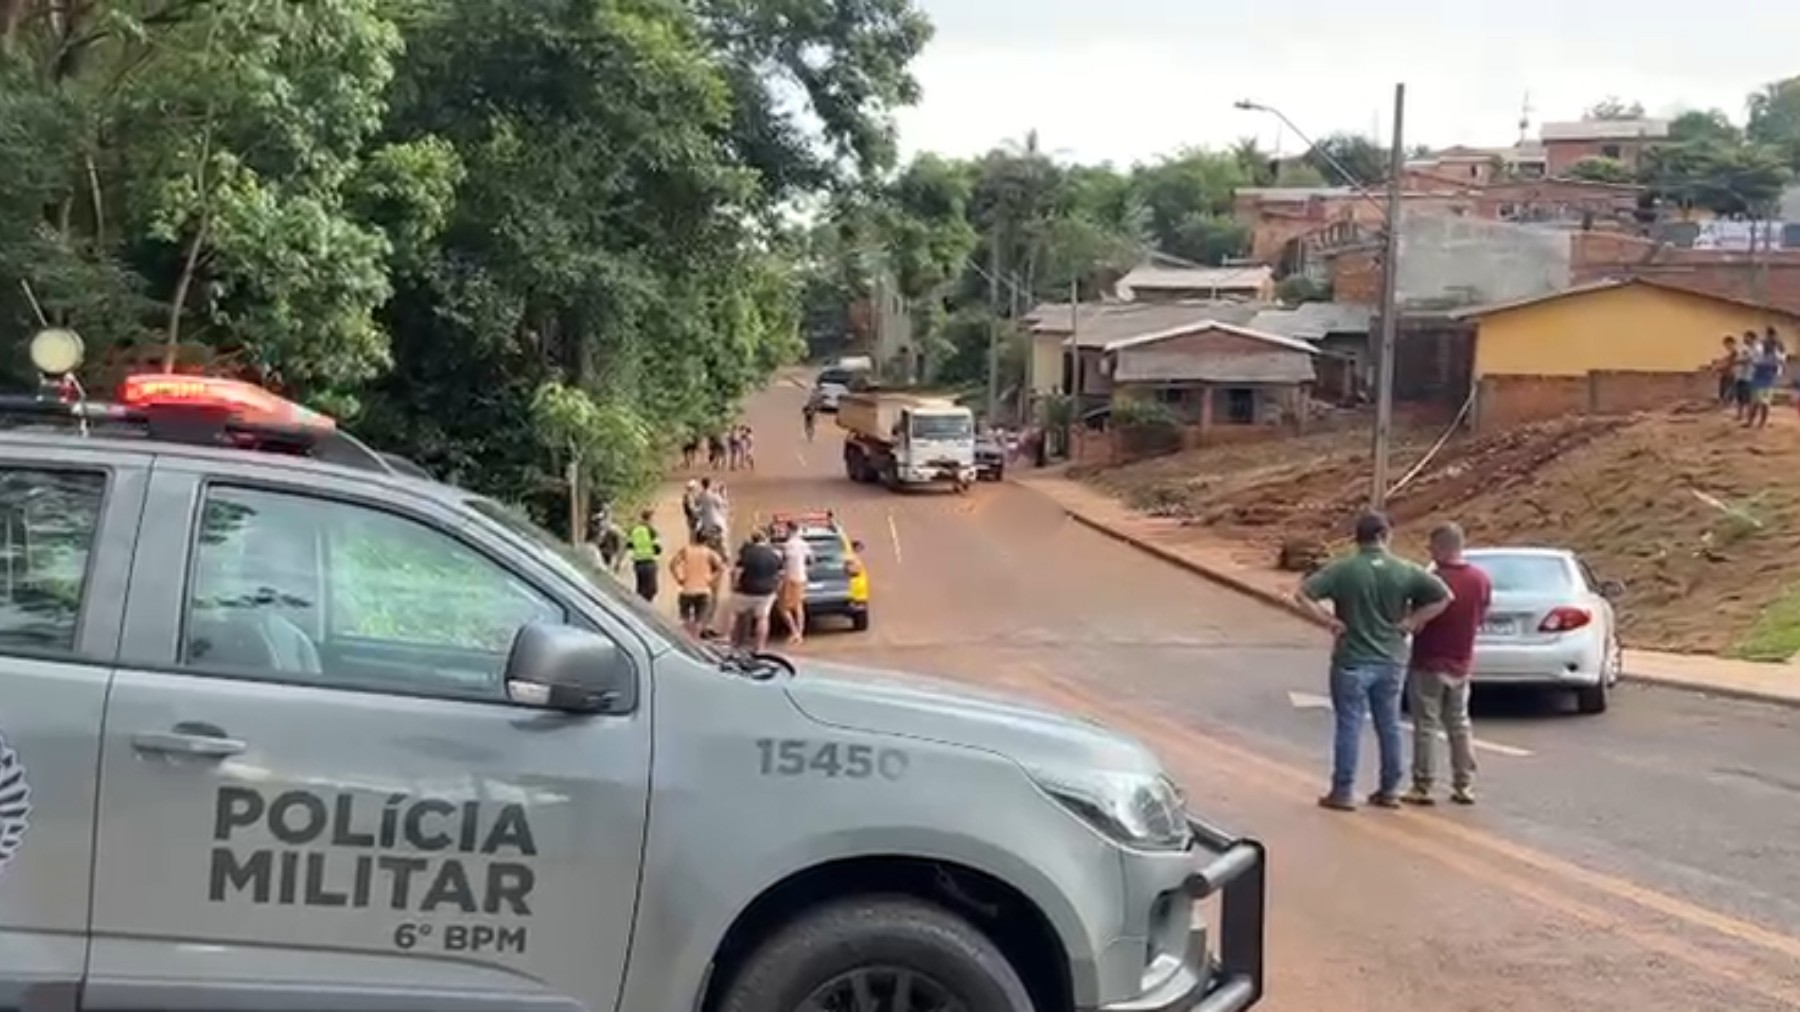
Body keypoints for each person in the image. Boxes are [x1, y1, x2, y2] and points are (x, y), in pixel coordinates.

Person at [1294, 511, 1451, 812]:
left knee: (1349, 725)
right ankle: (1389, 789)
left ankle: (1343, 790)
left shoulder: (1343, 570)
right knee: (1389, 724)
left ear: (1358, 537)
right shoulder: (1404, 569)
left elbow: (1303, 594)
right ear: (1385, 535)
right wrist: (1412, 621)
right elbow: (1444, 596)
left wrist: (1328, 621)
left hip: (1352, 657)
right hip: (1391, 658)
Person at [1403, 522, 1491, 807]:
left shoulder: (1431, 581)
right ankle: (1464, 784)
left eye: (1431, 547)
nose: (1429, 552)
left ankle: (1422, 784)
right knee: (1459, 724)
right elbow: (1482, 616)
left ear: (1441, 547)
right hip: (1461, 663)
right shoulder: (1481, 580)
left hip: (1429, 661)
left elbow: (1415, 623)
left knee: (1426, 725)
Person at [730, 529, 785, 652]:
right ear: (765, 540)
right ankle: (759, 648)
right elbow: (781, 575)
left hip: (746, 590)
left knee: (739, 617)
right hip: (766, 592)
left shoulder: (746, 554)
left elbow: (737, 572)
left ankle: (736, 644)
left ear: (753, 539)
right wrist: (777, 589)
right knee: (762, 618)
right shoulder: (773, 555)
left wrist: (734, 585)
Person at [669, 530, 726, 638]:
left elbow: (672, 564)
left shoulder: (686, 550)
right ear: (707, 541)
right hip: (703, 590)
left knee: (685, 618)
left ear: (695, 538)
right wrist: (711, 579)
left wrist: (679, 578)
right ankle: (695, 641)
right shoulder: (709, 553)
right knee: (699, 620)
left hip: (687, 589)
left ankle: (686, 640)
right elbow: (721, 568)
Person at [777, 522, 813, 645]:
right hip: (802, 578)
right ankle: (799, 633)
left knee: (783, 608)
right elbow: (812, 560)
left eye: (786, 530)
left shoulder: (787, 546)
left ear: (790, 530)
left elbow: (780, 563)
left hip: (790, 578)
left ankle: (795, 632)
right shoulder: (805, 544)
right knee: (798, 606)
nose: (785, 532)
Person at [1747, 331, 1784, 429]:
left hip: (1767, 382)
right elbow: (1754, 363)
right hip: (1758, 381)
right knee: (1754, 403)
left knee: (1764, 404)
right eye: (1765, 344)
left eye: (1769, 344)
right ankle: (1751, 422)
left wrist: (1763, 365)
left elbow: (1776, 368)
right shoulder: (1761, 354)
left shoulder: (1776, 357)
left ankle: (1761, 423)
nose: (1766, 346)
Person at [626, 509, 662, 603]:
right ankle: (646, 608)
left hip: (638, 563)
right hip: (649, 562)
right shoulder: (651, 530)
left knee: (640, 588)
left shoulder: (634, 530)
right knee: (652, 589)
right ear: (649, 519)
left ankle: (639, 606)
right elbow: (658, 549)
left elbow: (629, 545)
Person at [695, 477, 728, 552]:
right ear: (710, 484)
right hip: (716, 520)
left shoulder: (700, 495)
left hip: (706, 522)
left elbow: (697, 504)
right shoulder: (714, 495)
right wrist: (722, 494)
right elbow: (721, 504)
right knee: (723, 543)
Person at [1732, 330, 1758, 422]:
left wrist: (1735, 362)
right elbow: (1739, 358)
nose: (1745, 339)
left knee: (1748, 399)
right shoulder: (1744, 348)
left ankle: (1749, 418)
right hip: (1740, 376)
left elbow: (1747, 360)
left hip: (1749, 377)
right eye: (1745, 337)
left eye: (1747, 337)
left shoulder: (1756, 349)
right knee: (1740, 397)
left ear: (1752, 338)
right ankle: (1739, 415)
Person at [1717, 335, 1739, 405]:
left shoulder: (1735, 353)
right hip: (1726, 373)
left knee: (1728, 388)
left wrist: (1720, 367)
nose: (1726, 346)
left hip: (1730, 374)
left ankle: (1729, 402)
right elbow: (1725, 361)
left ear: (1732, 343)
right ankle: (1725, 401)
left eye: (1727, 344)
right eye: (1725, 345)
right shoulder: (1730, 354)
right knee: (1723, 388)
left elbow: (1731, 363)